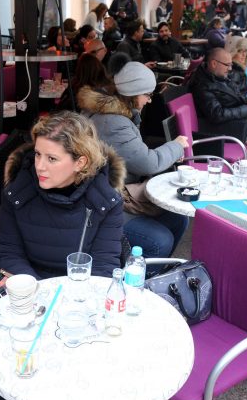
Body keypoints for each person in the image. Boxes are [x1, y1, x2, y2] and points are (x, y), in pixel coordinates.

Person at [78, 54, 189, 258]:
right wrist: (176, 146)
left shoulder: (112, 111)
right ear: (133, 93)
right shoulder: (113, 122)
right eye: (147, 94)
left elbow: (136, 152)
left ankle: (154, 273)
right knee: (160, 240)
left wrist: (170, 152)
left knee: (179, 219)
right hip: (102, 203)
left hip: (111, 193)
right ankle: (137, 279)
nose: (149, 100)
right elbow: (148, 163)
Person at [0, 111, 125, 279]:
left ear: (80, 163)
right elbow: (9, 253)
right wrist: (36, 289)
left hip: (81, 288)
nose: (40, 166)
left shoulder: (106, 200)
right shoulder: (17, 192)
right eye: (37, 154)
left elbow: (104, 264)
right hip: (29, 286)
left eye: (52, 159)